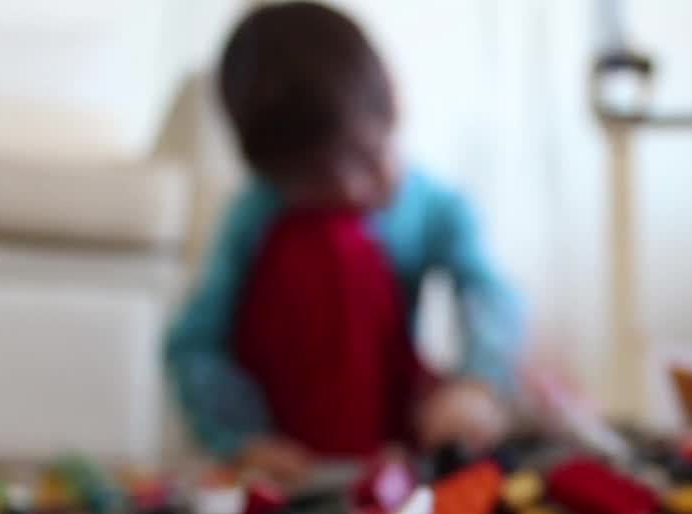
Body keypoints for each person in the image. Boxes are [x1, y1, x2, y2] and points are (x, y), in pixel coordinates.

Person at [165, 1, 522, 481]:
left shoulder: (435, 205)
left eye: (368, 155)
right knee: (324, 241)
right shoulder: (257, 215)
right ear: (270, 174)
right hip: (291, 451)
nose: (354, 188)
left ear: (393, 104)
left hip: (389, 440)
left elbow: (488, 292)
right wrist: (243, 440)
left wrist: (477, 382)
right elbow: (194, 344)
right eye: (318, 181)